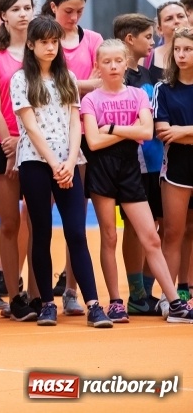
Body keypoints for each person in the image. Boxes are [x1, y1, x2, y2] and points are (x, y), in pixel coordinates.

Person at [82, 39, 193, 324]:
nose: (113, 66)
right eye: (106, 62)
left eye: (118, 60)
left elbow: (146, 131)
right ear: (98, 66)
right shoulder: (90, 99)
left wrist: (113, 128)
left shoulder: (137, 95)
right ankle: (116, 303)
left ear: (126, 62)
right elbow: (93, 142)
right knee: (109, 235)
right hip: (101, 169)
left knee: (151, 237)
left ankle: (174, 303)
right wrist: (128, 131)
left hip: (130, 168)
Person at [10, 15, 111, 328]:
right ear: (31, 44)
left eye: (54, 41)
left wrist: (69, 161)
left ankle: (93, 303)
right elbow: (30, 126)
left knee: (77, 233)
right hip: (35, 163)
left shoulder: (66, 77)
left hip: (70, 163)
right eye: (44, 42)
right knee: (40, 233)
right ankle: (46, 305)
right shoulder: (20, 79)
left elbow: (73, 122)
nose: (50, 47)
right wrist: (54, 163)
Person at [0, 0, 37, 321]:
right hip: (3, 143)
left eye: (27, 7)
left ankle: (37, 292)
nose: (22, 14)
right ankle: (15, 296)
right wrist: (9, 144)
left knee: (37, 221)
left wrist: (28, 142)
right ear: (3, 15)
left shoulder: (41, 50)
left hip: (38, 144)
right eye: (15, 8)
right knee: (10, 223)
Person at [113, 14, 164, 315]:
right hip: (133, 164)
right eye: (147, 36)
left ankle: (146, 291)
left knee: (154, 225)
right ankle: (135, 293)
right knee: (133, 228)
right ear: (130, 39)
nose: (153, 42)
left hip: (157, 161)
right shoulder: (121, 78)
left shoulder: (146, 75)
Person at [154, 26, 193, 316]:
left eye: (188, 49)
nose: (181, 54)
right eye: (177, 49)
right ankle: (172, 298)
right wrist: (181, 133)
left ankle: (188, 289)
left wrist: (182, 130)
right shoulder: (163, 88)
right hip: (176, 170)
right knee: (173, 232)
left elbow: (174, 130)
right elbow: (163, 132)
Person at [145, 1, 190, 84]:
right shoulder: (146, 58)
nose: (176, 21)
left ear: (188, 21)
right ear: (160, 29)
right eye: (169, 19)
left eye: (180, 16)